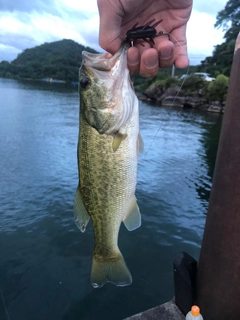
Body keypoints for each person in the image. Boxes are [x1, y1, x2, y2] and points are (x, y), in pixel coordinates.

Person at [97, 0, 193, 77]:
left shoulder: (132, 35)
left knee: (148, 51)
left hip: (148, 31)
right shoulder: (132, 33)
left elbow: (140, 37)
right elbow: (140, 34)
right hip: (148, 31)